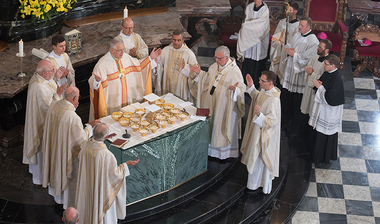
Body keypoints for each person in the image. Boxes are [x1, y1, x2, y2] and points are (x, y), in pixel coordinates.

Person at [42, 86, 99, 208]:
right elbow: (80, 140)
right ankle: (65, 201)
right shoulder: (73, 117)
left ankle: (55, 194)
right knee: (67, 174)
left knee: (56, 169)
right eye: (77, 97)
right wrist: (90, 126)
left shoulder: (54, 105)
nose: (78, 100)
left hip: (55, 147)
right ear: (74, 98)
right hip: (64, 154)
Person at [75, 123, 140, 224]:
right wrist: (126, 165)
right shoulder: (106, 155)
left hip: (86, 186)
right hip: (101, 191)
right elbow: (115, 175)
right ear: (106, 137)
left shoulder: (85, 146)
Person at [190, 46, 245, 159]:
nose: (216, 60)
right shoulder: (214, 67)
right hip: (212, 104)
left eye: (219, 58)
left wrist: (235, 90)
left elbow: (241, 90)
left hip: (225, 107)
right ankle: (211, 151)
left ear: (226, 57)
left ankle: (223, 154)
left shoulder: (235, 71)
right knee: (212, 126)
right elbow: (207, 79)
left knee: (221, 128)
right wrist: (200, 73)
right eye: (215, 57)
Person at [88, 37, 161, 120]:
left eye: (123, 49)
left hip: (128, 99)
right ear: (112, 50)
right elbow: (94, 86)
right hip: (113, 103)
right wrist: (96, 81)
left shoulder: (126, 57)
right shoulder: (102, 64)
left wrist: (150, 58)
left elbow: (138, 66)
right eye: (119, 50)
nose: (122, 53)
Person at [22, 60, 66, 185]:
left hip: (40, 122)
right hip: (42, 126)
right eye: (52, 70)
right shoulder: (39, 87)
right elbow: (50, 109)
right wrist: (58, 94)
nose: (54, 71)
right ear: (44, 72)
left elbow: (49, 84)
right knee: (42, 152)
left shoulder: (37, 77)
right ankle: (41, 177)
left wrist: (56, 77)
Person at [240, 71, 281, 194]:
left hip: (265, 136)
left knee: (260, 160)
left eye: (262, 81)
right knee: (255, 157)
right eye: (260, 79)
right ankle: (253, 183)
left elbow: (273, 121)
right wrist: (251, 86)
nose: (260, 82)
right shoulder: (264, 91)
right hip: (257, 131)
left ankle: (260, 184)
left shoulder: (274, 100)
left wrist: (260, 115)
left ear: (270, 83)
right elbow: (258, 97)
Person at [280, 16, 318, 127]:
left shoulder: (313, 41)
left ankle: (295, 122)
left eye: (302, 25)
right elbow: (289, 44)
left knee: (296, 98)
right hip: (290, 68)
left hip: (299, 74)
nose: (299, 27)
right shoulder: (297, 34)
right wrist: (287, 50)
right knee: (287, 94)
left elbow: (308, 59)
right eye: (299, 24)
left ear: (308, 27)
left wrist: (294, 54)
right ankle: (286, 118)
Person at [309, 54, 344, 164]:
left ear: (333, 66)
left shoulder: (337, 79)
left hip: (329, 112)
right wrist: (318, 85)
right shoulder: (328, 73)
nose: (323, 65)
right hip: (323, 109)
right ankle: (315, 153)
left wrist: (320, 87)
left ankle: (321, 158)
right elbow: (322, 84)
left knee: (325, 134)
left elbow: (331, 98)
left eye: (326, 64)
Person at [155, 29, 199, 102]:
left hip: (180, 88)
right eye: (174, 40)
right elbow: (158, 65)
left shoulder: (189, 54)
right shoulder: (166, 50)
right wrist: (156, 66)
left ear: (183, 40)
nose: (176, 42)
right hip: (166, 84)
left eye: (179, 40)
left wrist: (186, 68)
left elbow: (195, 73)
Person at [237, 0, 270, 86]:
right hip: (248, 40)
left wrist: (247, 27)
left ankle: (255, 86)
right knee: (247, 64)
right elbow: (245, 21)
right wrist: (247, 27)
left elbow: (262, 25)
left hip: (258, 40)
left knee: (256, 66)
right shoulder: (249, 7)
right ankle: (245, 85)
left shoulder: (265, 9)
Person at [300, 39, 332, 116]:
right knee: (305, 109)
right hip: (309, 87)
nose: (318, 48)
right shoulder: (314, 57)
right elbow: (308, 68)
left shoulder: (328, 64)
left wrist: (312, 73)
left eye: (320, 47)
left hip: (316, 91)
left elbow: (324, 79)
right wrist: (309, 72)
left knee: (313, 111)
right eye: (318, 46)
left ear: (327, 50)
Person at [269, 1, 299, 82]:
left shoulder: (298, 26)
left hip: (288, 53)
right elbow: (276, 36)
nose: (287, 12)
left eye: (290, 10)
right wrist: (279, 43)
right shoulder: (282, 22)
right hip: (279, 50)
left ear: (295, 11)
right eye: (286, 10)